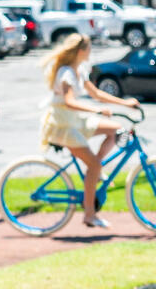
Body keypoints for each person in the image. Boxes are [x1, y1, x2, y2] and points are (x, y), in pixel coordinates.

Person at [39, 33, 135, 228]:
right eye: (89, 48)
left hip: (75, 119)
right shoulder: (66, 73)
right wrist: (97, 110)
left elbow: (96, 93)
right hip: (62, 124)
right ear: (81, 51)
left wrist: (125, 103)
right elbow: (69, 102)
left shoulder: (79, 70)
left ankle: (96, 168)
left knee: (118, 129)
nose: (91, 52)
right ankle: (89, 214)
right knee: (93, 165)